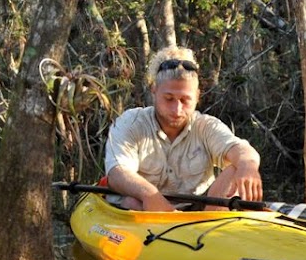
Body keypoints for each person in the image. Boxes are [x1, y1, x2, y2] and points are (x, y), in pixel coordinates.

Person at [105, 46, 262, 211]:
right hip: (145, 210)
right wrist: (149, 195)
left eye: (185, 100)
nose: (177, 110)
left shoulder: (206, 126)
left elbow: (242, 149)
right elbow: (117, 173)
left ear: (197, 96)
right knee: (131, 202)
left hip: (199, 213)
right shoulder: (131, 122)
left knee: (236, 167)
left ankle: (209, 224)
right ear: (154, 90)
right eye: (169, 98)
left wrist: (247, 166)